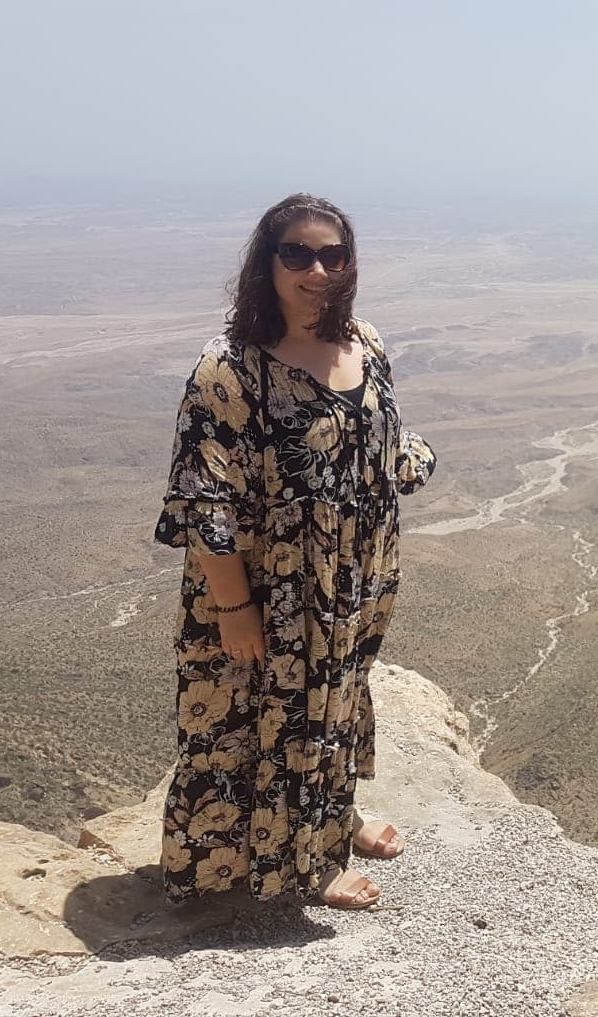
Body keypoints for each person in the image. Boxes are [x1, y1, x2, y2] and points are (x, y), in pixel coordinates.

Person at [154, 193, 436, 910]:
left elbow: (376, 441)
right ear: (267, 263)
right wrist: (233, 606)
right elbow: (202, 498)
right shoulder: (231, 368)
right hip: (267, 589)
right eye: (297, 254)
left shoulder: (365, 343)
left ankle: (331, 821)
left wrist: (410, 459)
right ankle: (303, 867)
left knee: (333, 706)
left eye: (332, 255)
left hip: (351, 583)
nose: (317, 269)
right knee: (259, 721)